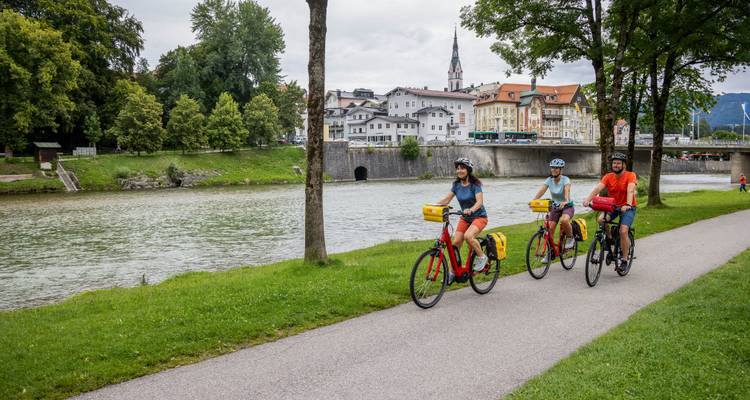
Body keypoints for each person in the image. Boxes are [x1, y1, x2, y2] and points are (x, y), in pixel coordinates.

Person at [583, 152, 637, 269]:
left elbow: (630, 189)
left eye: (618, 163)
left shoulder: (630, 175)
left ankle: (624, 259)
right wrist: (588, 199)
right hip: (613, 206)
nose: (616, 165)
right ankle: (609, 239)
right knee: (601, 220)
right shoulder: (608, 177)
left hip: (628, 207)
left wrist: (627, 204)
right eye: (614, 163)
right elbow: (598, 188)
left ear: (624, 165)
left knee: (623, 231)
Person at [435, 158, 489, 272]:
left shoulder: (475, 185)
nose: (460, 170)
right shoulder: (456, 185)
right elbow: (446, 200)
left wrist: (471, 209)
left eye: (462, 168)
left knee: (468, 236)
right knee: (456, 243)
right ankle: (452, 272)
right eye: (458, 168)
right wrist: (433, 205)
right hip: (465, 218)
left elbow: (479, 202)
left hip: (479, 217)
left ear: (468, 170)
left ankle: (482, 257)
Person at [532, 158, 575, 261]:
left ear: (561, 170)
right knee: (550, 229)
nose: (554, 170)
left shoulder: (566, 180)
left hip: (567, 206)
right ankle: (550, 252)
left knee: (564, 220)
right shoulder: (549, 180)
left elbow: (567, 191)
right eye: (552, 168)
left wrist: (565, 201)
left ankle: (570, 238)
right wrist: (534, 200)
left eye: (556, 168)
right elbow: (541, 190)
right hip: (555, 207)